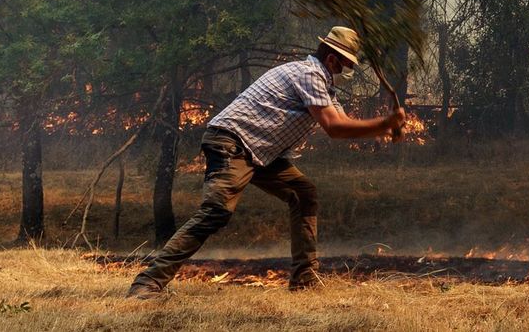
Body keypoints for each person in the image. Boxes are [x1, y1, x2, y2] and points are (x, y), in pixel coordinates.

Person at [127, 26, 406, 298]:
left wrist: (385, 127)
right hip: (231, 142)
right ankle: (147, 282)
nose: (347, 72)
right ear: (332, 59)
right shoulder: (309, 73)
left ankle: (305, 279)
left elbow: (343, 125)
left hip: (261, 153)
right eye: (346, 66)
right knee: (216, 212)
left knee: (303, 192)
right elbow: (335, 127)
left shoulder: (324, 88)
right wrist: (385, 123)